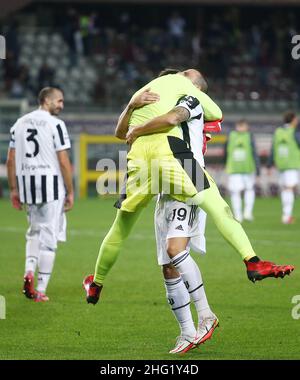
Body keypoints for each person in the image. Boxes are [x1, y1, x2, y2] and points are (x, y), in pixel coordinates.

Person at [83, 69, 294, 313]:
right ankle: (252, 261)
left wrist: (131, 108)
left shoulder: (145, 90)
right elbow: (214, 113)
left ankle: (96, 283)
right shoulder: (190, 91)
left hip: (138, 160)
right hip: (172, 153)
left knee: (120, 227)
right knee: (218, 205)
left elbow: (120, 134)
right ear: (195, 85)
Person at [112, 69, 220, 354]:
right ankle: (186, 332)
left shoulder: (191, 103)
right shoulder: (170, 103)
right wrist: (134, 105)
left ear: (195, 86)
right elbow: (120, 132)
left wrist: (138, 129)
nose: (180, 76)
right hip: (165, 184)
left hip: (189, 177)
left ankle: (207, 314)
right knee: (168, 266)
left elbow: (171, 118)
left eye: (186, 75)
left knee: (175, 250)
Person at [6, 87, 74, 302]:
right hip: (51, 185)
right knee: (49, 237)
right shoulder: (56, 124)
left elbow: (10, 159)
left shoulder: (19, 123)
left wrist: (14, 189)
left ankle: (28, 271)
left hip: (27, 185)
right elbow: (63, 160)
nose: (61, 106)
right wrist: (70, 191)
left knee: (34, 232)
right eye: (59, 101)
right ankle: (41, 288)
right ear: (46, 100)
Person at [224, 119, 260, 222]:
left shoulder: (250, 136)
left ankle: (247, 213)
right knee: (235, 192)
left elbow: (254, 153)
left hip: (248, 169)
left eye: (243, 126)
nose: (241, 128)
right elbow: (225, 151)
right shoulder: (230, 136)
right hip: (234, 169)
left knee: (249, 190)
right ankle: (238, 215)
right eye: (240, 126)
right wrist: (225, 164)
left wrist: (257, 169)